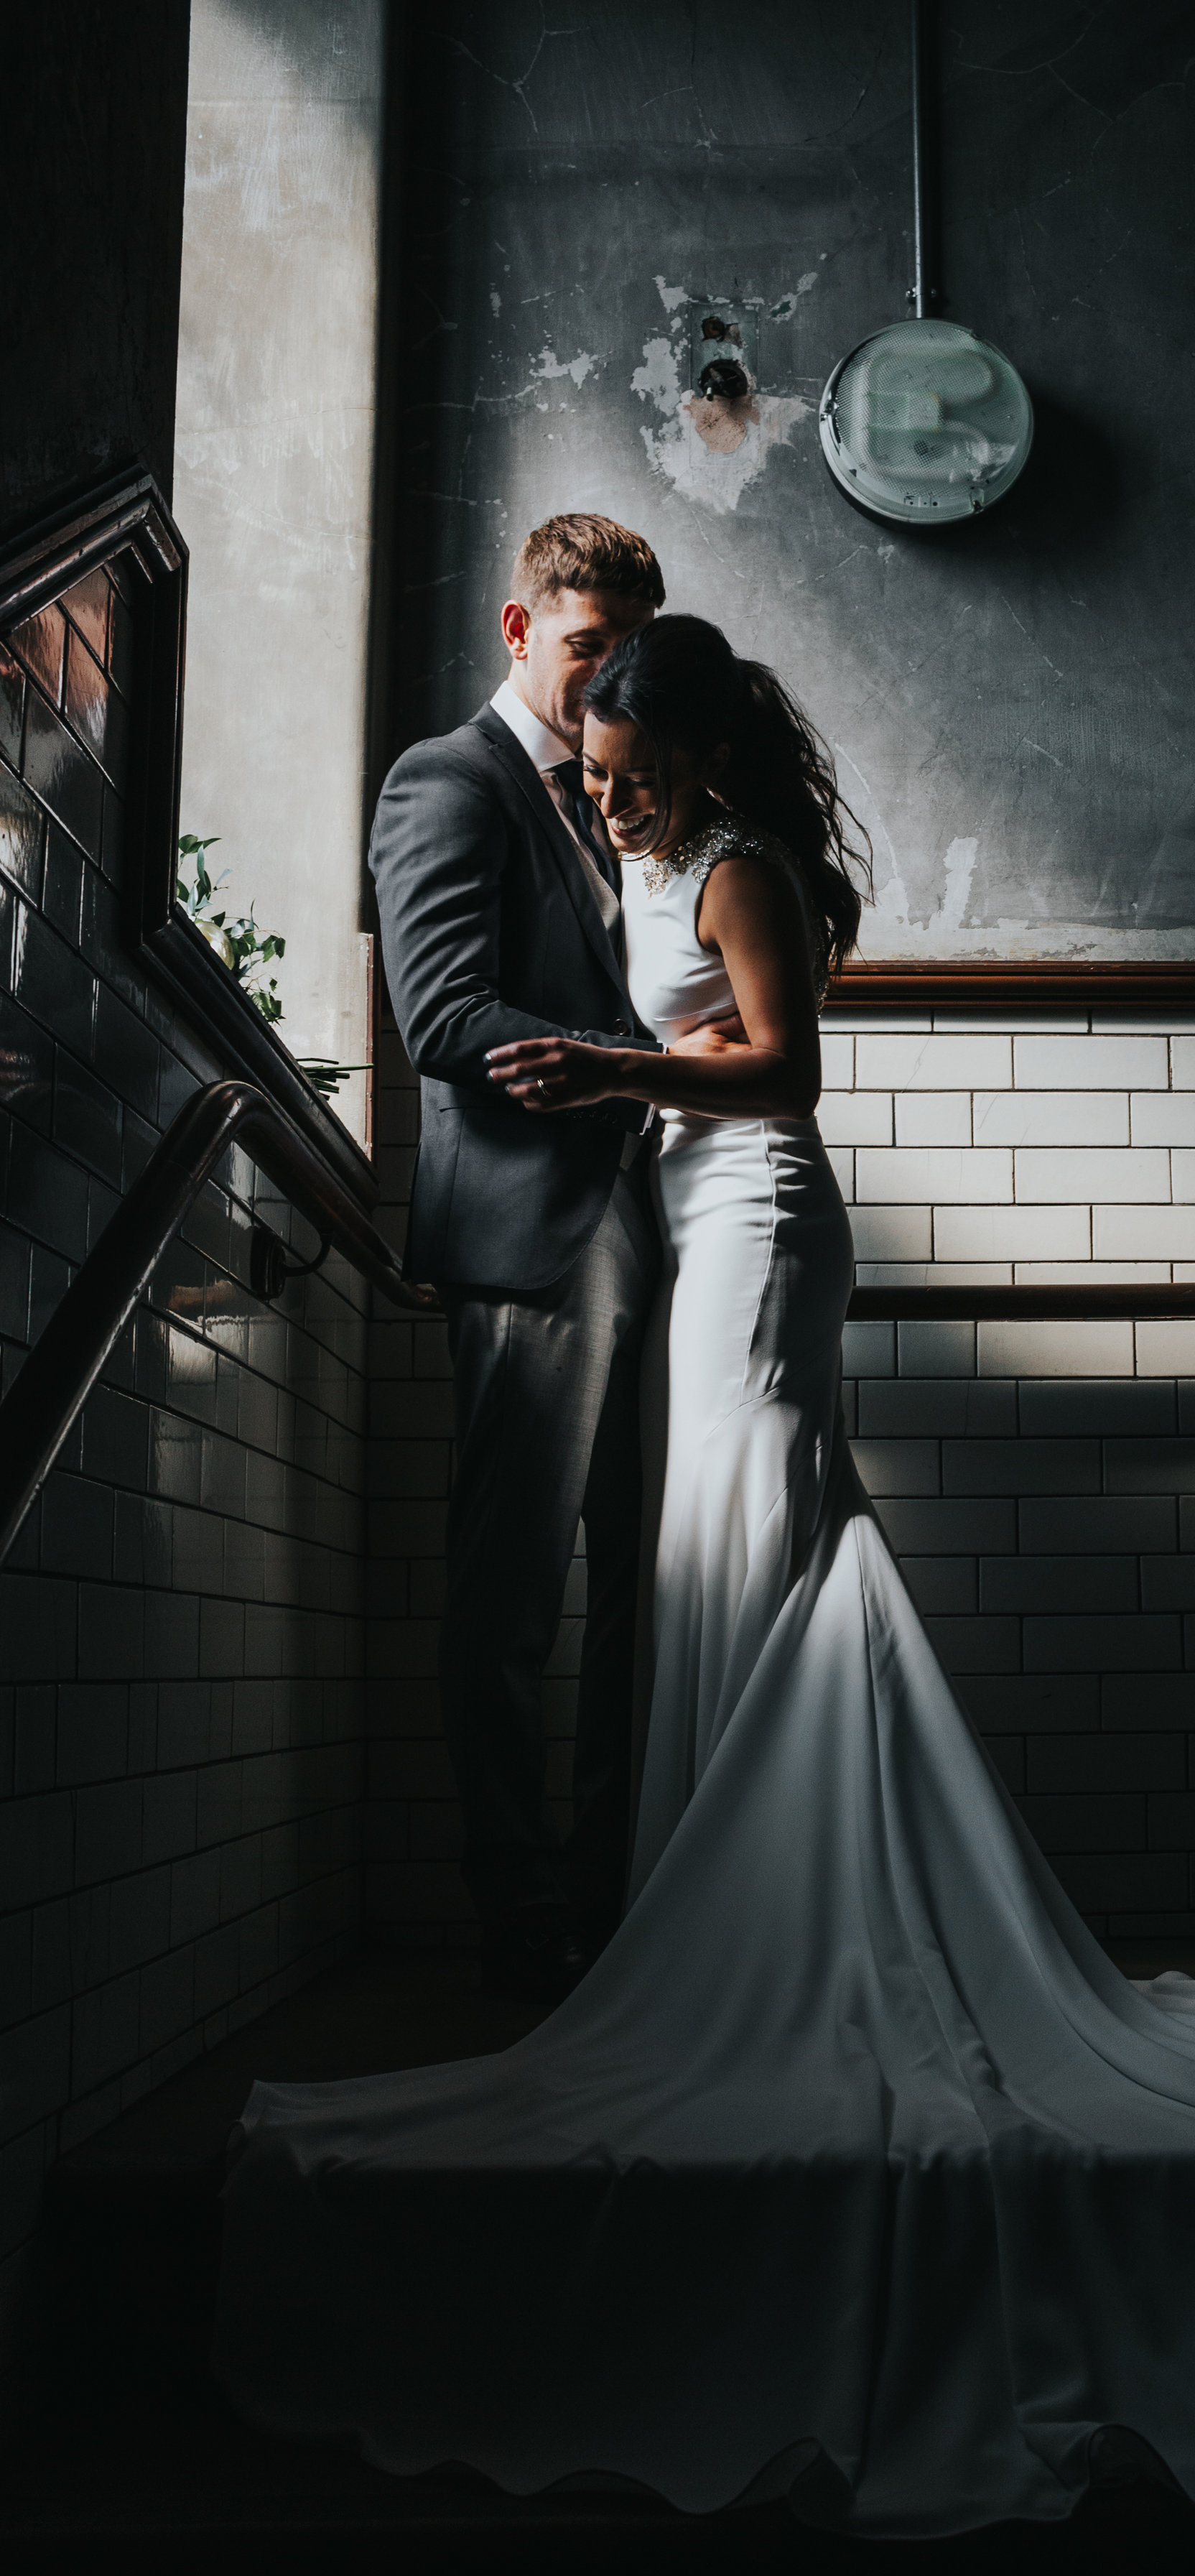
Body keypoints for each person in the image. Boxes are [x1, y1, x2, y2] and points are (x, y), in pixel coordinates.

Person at [218, 616, 1195, 2538]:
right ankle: (734, 1904)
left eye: (615, 768)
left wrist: (607, 1065)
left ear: (685, 742)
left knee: (757, 1526)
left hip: (754, 1222)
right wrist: (621, 1061)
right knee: (710, 1545)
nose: (598, 797)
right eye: (587, 776)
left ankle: (799, 1920)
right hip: (683, 1223)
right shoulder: (665, 857)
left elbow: (783, 1079)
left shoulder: (746, 865)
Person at [369, 514, 665, 2001]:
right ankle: (521, 1919)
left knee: (641, 1594)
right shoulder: (450, 777)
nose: (602, 669)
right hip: (529, 1237)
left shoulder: (627, 796)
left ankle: (617, 1901)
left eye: (625, 647)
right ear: (515, 627)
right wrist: (652, 1061)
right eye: (581, 643)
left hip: (649, 1230)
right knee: (510, 1606)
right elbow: (440, 1015)